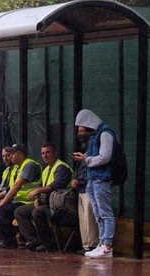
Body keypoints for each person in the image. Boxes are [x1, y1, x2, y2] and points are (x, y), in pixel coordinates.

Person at [72, 109, 115, 259]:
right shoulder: (95, 135)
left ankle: (107, 245)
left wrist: (86, 160)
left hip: (101, 178)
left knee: (105, 213)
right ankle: (102, 242)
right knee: (98, 214)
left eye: (81, 128)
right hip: (93, 178)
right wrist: (85, 158)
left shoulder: (105, 133)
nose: (80, 131)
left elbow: (105, 157)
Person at [14, 143, 72, 252]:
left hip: (62, 206)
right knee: (20, 211)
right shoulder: (46, 170)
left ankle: (47, 244)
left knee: (38, 212)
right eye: (42, 153)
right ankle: (33, 240)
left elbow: (56, 185)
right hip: (48, 203)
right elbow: (44, 188)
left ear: (55, 153)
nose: (45, 155)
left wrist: (38, 190)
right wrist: (38, 199)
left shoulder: (61, 167)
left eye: (48, 152)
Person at [0, 143, 41, 249]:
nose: (10, 157)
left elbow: (17, 186)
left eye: (12, 154)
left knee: (1, 209)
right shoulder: (17, 167)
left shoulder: (29, 165)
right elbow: (9, 188)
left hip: (28, 201)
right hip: (18, 201)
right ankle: (8, 239)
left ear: (19, 154)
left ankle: (11, 240)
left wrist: (2, 203)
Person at [71, 127, 99, 253]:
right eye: (79, 131)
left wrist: (81, 180)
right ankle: (86, 245)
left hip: (89, 188)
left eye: (82, 131)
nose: (79, 134)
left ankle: (93, 244)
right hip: (81, 189)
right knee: (83, 218)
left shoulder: (93, 150)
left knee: (90, 218)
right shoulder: (85, 151)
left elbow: (91, 170)